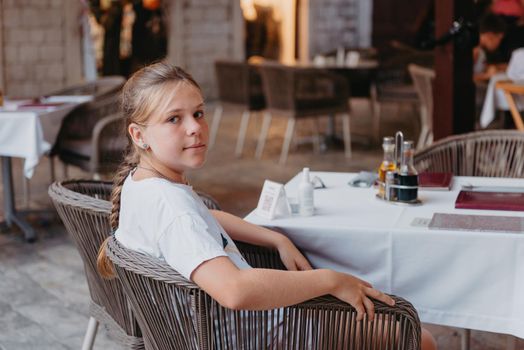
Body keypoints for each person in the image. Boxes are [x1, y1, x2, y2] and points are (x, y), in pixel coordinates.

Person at [96, 61, 436, 349]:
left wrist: (276, 238)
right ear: (138, 135)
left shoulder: (142, 185)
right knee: (416, 338)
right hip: (263, 335)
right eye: (174, 119)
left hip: (220, 331)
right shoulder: (173, 209)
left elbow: (203, 217)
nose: (195, 128)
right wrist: (330, 280)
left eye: (198, 113)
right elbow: (234, 291)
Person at [473, 13, 507, 81]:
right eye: (499, 39)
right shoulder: (475, 51)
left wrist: (498, 67)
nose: (499, 43)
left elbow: (482, 69)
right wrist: (487, 76)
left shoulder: (482, 51)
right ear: (490, 35)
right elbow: (463, 78)